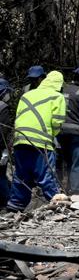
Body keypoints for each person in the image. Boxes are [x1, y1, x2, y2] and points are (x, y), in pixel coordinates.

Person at [7, 70, 66, 211]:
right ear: (59, 85)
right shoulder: (57, 96)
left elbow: (19, 116)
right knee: (46, 174)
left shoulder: (26, 95)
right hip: (41, 141)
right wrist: (52, 136)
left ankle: (15, 205)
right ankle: (56, 202)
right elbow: (57, 122)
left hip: (20, 139)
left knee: (22, 175)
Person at [0, 78, 13, 206]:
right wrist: (4, 150)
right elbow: (3, 131)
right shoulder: (3, 107)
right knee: (1, 176)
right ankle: (7, 204)